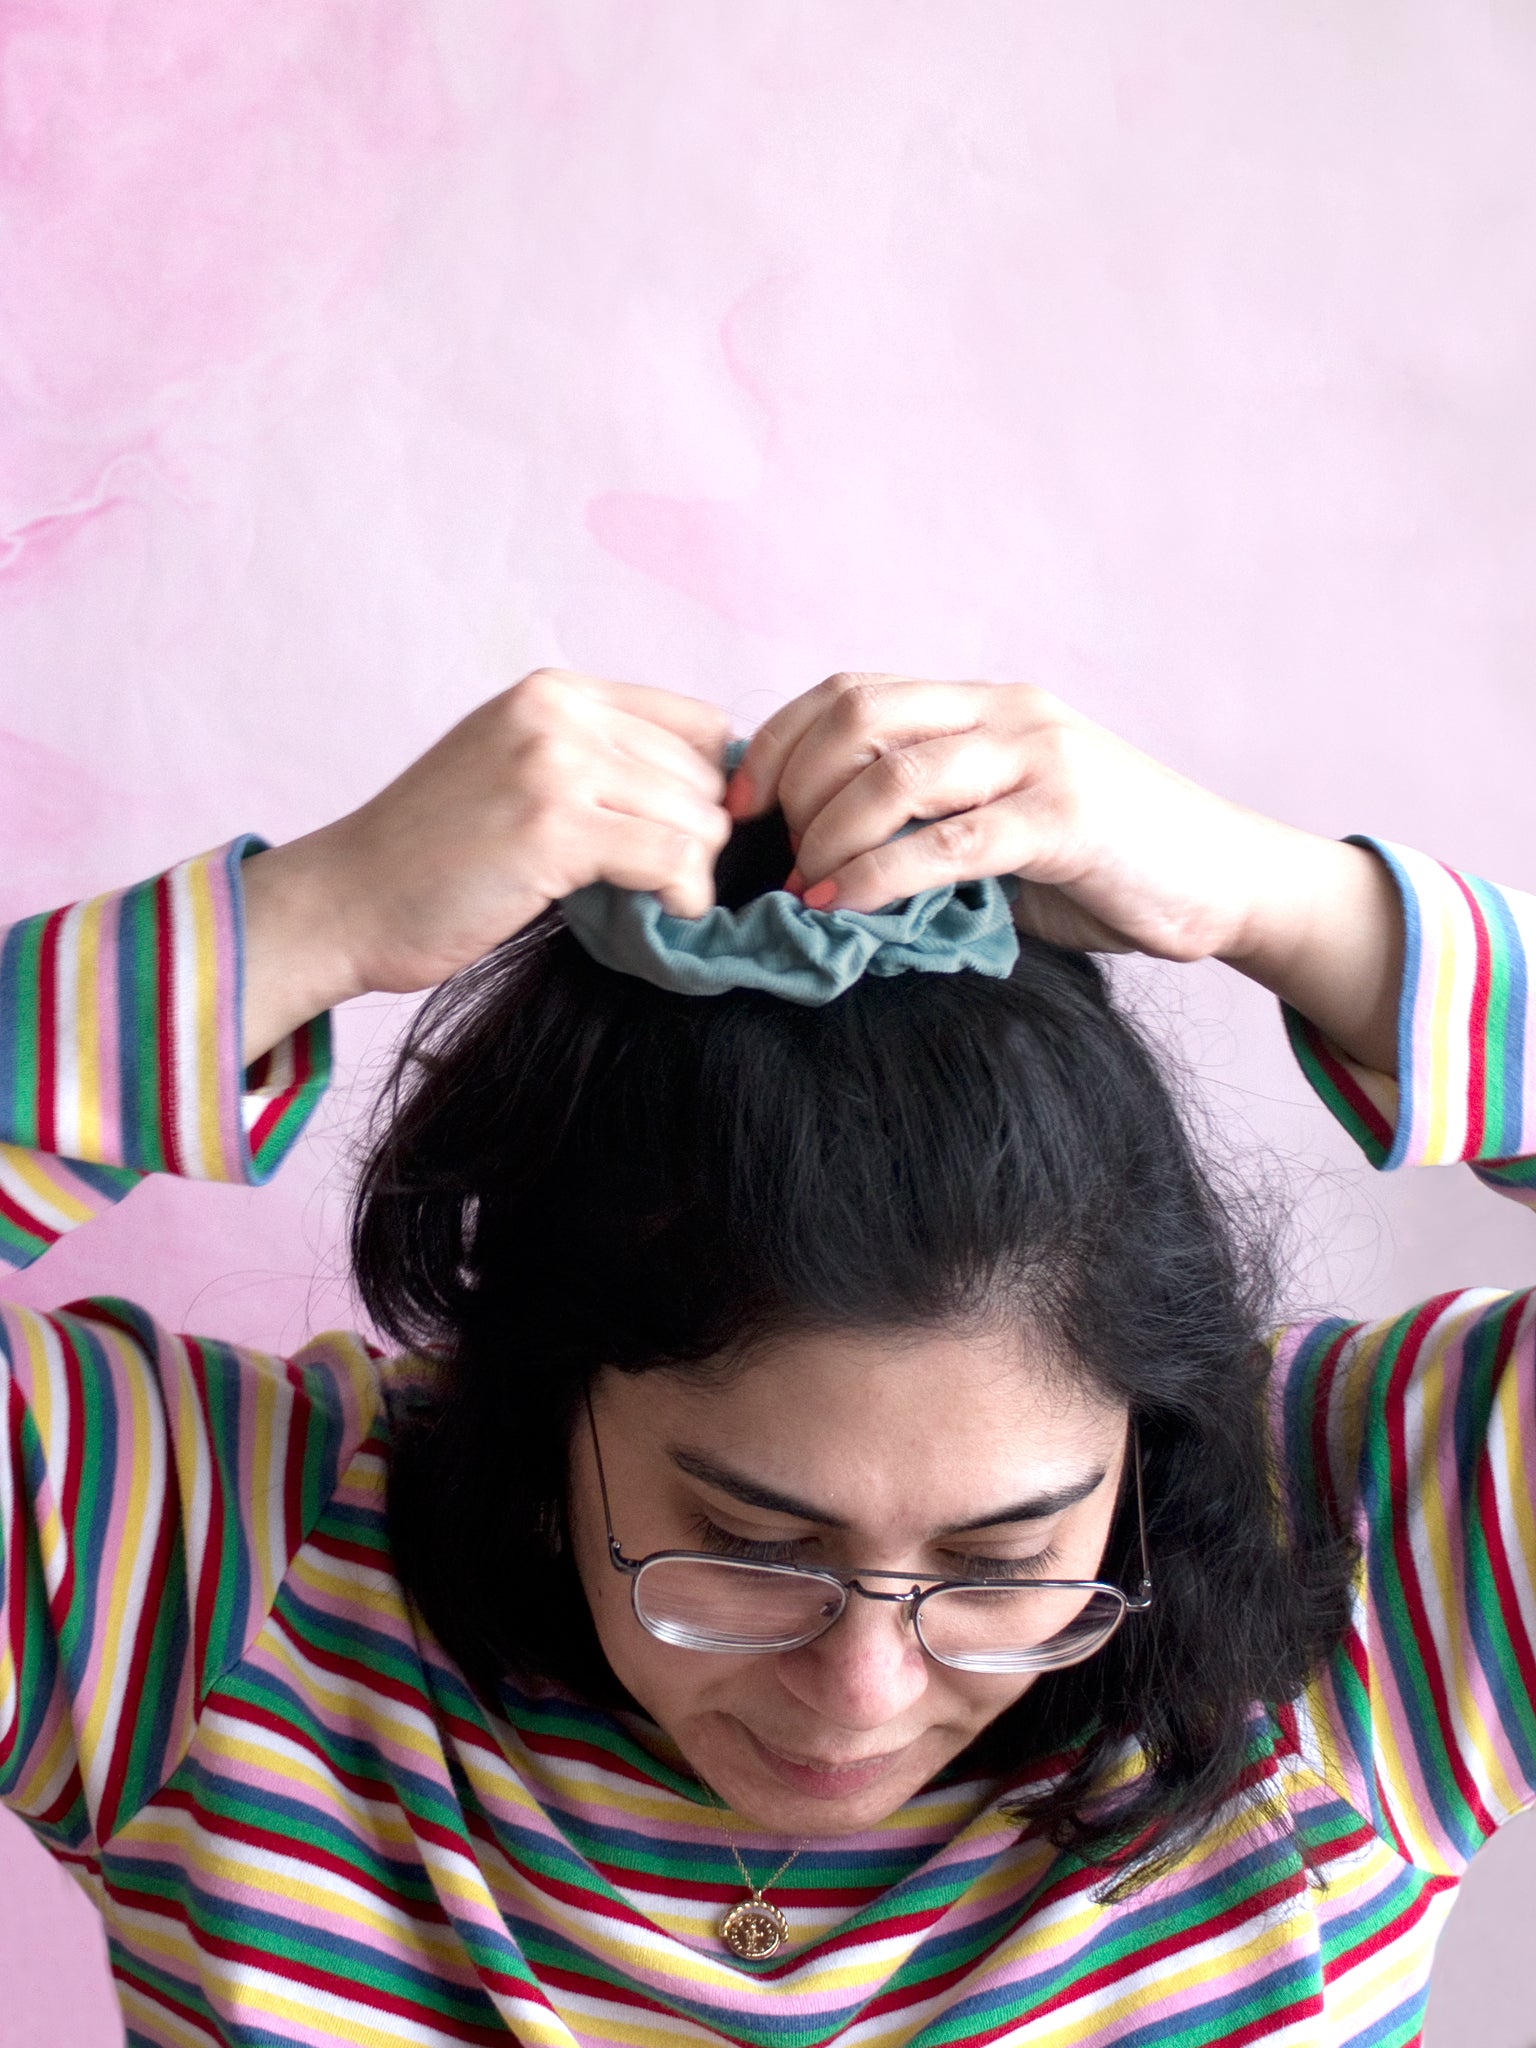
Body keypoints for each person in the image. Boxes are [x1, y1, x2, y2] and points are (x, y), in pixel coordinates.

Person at [1, 667, 1530, 2048]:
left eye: (1007, 1564)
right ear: (545, 1409)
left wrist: (1291, 906)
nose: (863, 1694)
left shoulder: (1361, 1585)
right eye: (747, 1545)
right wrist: (313, 918)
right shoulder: (210, 1585)